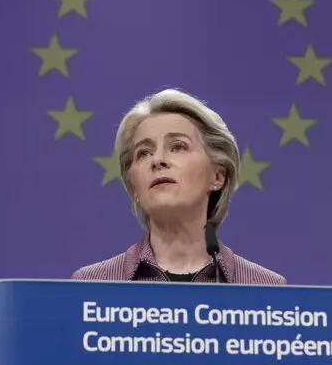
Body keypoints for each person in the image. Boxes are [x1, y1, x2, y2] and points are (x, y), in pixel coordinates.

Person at [71, 88, 286, 285]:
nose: (158, 160)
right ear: (134, 186)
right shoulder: (91, 284)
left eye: (178, 147)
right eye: (144, 153)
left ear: (218, 176)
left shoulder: (265, 288)